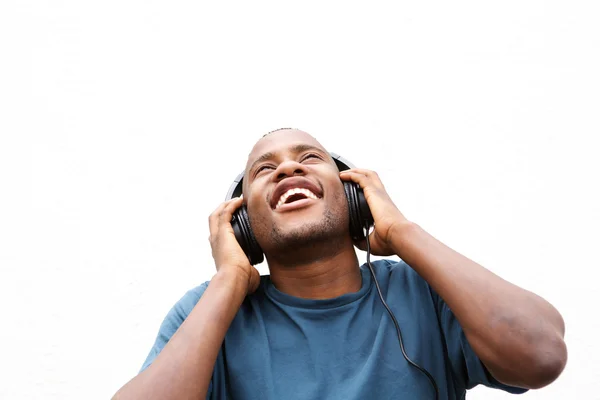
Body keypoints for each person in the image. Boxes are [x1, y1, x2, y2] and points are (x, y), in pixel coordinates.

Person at [112, 128, 567, 399]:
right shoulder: (208, 314)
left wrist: (402, 232)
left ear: (355, 196)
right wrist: (230, 277)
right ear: (242, 223)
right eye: (263, 170)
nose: (289, 170)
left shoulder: (423, 290)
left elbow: (541, 355)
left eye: (310, 158)